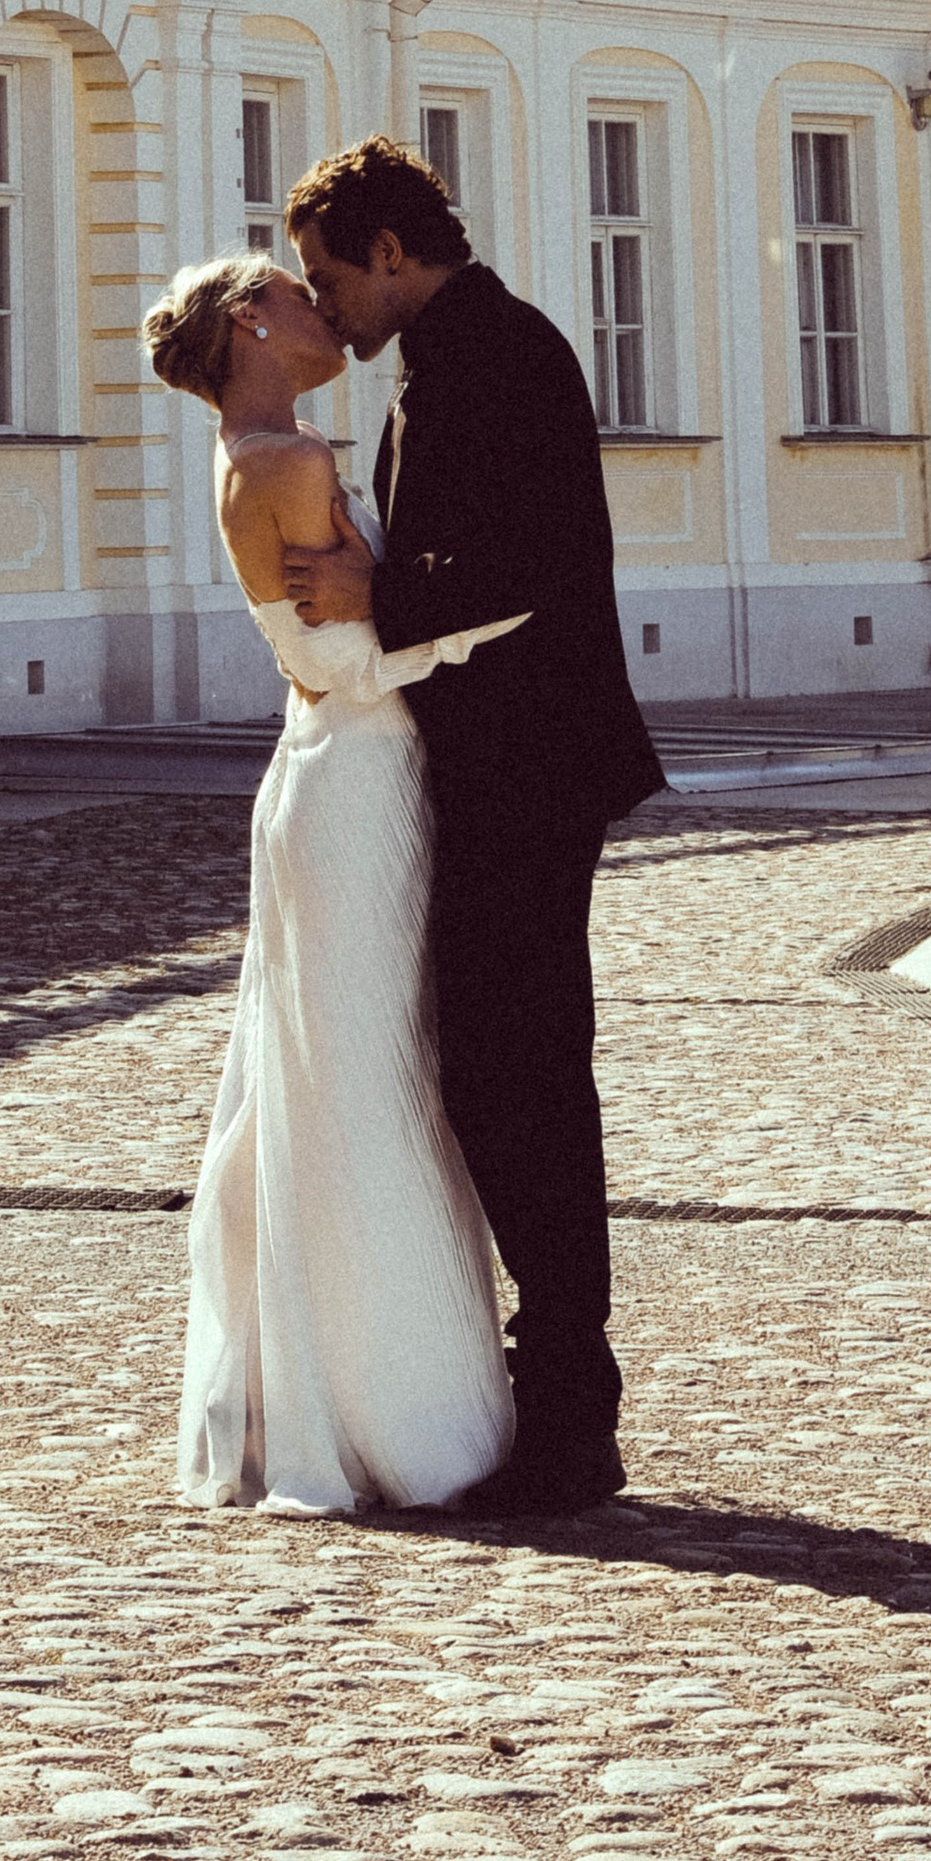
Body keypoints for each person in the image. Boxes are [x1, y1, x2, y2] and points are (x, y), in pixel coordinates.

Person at [281, 134, 664, 1515]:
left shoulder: (501, 353)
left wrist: (362, 592)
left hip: (532, 762)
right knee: (501, 1077)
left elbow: (513, 567)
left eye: (331, 279)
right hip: (497, 760)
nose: (323, 309)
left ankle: (571, 1406)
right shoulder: (451, 357)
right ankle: (552, 1390)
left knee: (525, 1082)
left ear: (394, 251)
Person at [141, 251, 526, 1515]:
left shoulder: (264, 452)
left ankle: (335, 1390)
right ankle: (394, 1416)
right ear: (255, 320)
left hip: (332, 778)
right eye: (296, 293)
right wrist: (508, 610)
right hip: (355, 781)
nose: (323, 308)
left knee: (331, 1080)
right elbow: (345, 666)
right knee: (366, 1085)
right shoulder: (288, 463)